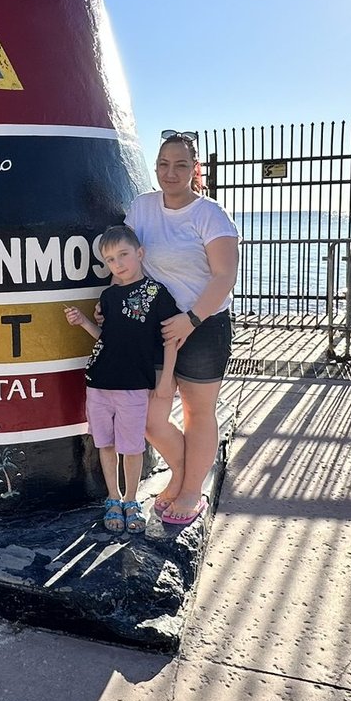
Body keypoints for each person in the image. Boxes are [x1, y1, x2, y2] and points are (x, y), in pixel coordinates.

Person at [126, 129, 239, 526]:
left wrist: (190, 320)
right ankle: (179, 474)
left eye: (180, 165)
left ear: (195, 169)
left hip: (203, 326)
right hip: (156, 330)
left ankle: (192, 491)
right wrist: (114, 305)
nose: (170, 173)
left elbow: (225, 276)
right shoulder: (141, 208)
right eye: (163, 164)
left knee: (198, 413)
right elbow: (129, 263)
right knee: (148, 417)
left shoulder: (210, 213)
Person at [65, 225, 179, 533]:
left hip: (133, 386)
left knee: (132, 446)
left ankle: (131, 500)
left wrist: (167, 378)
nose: (118, 264)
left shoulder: (156, 293)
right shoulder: (109, 295)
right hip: (99, 381)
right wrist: (84, 322)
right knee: (106, 443)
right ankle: (112, 497)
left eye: (123, 255)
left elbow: (171, 338)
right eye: (110, 259)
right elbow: (107, 337)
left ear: (140, 253)